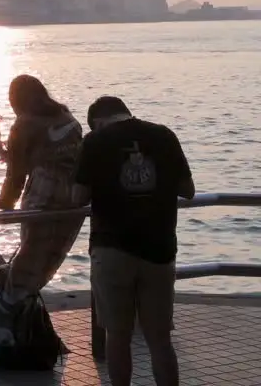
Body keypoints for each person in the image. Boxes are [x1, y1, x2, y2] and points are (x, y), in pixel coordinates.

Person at [77, 96, 193, 386]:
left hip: (112, 248)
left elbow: (77, 197)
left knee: (117, 336)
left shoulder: (95, 141)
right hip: (160, 249)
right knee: (160, 339)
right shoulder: (164, 135)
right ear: (125, 112)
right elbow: (188, 189)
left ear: (97, 122)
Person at [0, 75, 87, 314]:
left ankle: (9, 298)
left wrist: (3, 205)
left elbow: (16, 174)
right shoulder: (68, 118)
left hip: (44, 194)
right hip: (76, 196)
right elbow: (40, 160)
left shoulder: (24, 124)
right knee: (51, 253)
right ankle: (22, 297)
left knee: (32, 249)